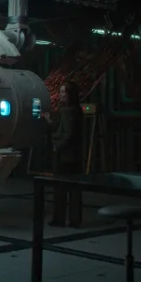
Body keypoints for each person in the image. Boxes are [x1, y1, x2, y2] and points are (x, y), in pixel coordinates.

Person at [46, 81, 84, 227]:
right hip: (74, 156)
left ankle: (59, 218)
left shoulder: (68, 112)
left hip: (65, 156)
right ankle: (74, 219)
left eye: (63, 92)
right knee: (74, 189)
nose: (61, 95)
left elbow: (68, 135)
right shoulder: (75, 110)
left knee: (60, 188)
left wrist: (57, 146)